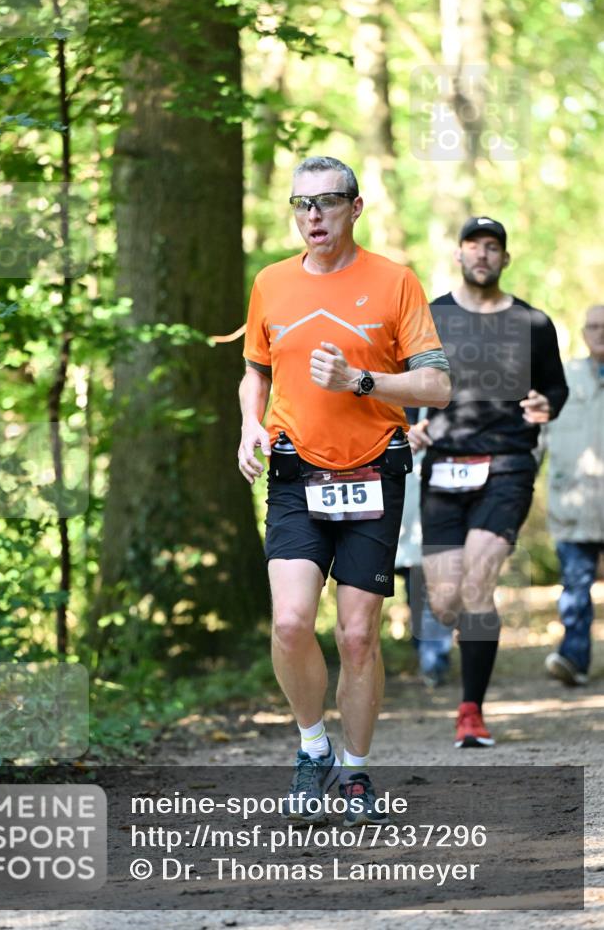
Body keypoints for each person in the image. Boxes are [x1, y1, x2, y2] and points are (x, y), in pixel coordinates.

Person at [238, 156, 451, 823]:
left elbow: (436, 386)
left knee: (358, 635)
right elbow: (255, 374)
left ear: (354, 209)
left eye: (327, 203)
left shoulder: (394, 282)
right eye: (301, 204)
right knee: (290, 621)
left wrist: (361, 381)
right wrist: (248, 425)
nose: (312, 216)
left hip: (372, 468)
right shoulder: (269, 284)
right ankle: (311, 747)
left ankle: (355, 771)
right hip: (296, 470)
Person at [408, 216, 568, 748]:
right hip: (444, 469)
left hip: (506, 465)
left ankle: (471, 709)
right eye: (473, 245)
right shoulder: (431, 318)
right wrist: (412, 423)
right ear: (458, 254)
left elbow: (555, 390)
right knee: (446, 600)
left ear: (505, 257)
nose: (482, 254)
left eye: (492, 246)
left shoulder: (533, 323)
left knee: (477, 586)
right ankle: (466, 671)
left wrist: (547, 405)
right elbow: (409, 383)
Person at [543, 304, 604, 686]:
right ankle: (574, 661)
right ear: (584, 333)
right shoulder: (561, 380)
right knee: (575, 592)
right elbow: (535, 439)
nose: (601, 332)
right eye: (594, 326)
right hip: (572, 507)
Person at [395, 421, 453, 687]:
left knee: (436, 591)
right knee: (415, 591)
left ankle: (433, 660)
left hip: (440, 505)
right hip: (405, 510)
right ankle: (428, 655)